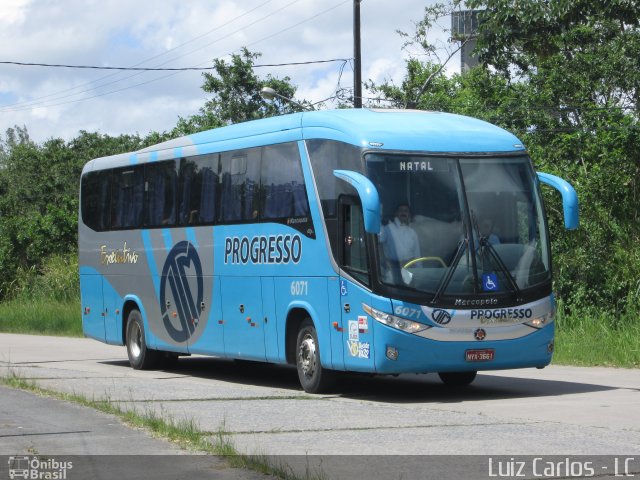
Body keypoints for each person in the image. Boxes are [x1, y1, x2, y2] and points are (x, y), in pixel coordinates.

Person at [379, 203, 420, 284]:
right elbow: (379, 237)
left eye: (406, 211)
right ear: (396, 213)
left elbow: (417, 254)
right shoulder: (388, 228)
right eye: (401, 210)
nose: (403, 213)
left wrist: (420, 272)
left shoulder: (412, 232)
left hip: (410, 271)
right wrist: (379, 214)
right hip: (392, 271)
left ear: (409, 215)